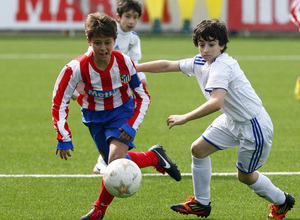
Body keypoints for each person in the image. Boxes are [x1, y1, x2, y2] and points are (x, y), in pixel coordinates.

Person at [136, 19, 295, 219]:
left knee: (245, 176)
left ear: (222, 45)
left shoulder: (222, 66)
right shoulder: (200, 61)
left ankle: (282, 201)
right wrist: (134, 67)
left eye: (211, 44)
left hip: (253, 126)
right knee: (198, 149)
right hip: (232, 120)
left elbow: (216, 102)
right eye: (202, 44)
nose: (205, 49)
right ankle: (201, 204)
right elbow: (168, 65)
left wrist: (185, 117)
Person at [52, 12, 181, 220]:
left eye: (107, 42)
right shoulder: (75, 67)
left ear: (115, 41)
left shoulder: (124, 62)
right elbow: (59, 101)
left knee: (114, 160)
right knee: (115, 162)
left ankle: (98, 211)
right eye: (97, 43)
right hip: (93, 118)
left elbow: (142, 96)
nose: (103, 48)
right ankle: (154, 157)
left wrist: (131, 125)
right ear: (89, 41)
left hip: (121, 112)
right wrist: (63, 136)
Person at [92, 0, 148, 175]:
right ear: (118, 17)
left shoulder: (134, 38)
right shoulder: (109, 33)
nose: (131, 21)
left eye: (135, 18)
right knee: (103, 121)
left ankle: (105, 159)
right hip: (103, 85)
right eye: (128, 16)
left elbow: (134, 62)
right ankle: (105, 158)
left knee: (122, 121)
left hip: (122, 85)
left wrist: (142, 79)